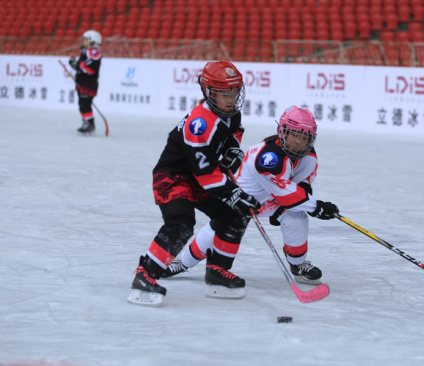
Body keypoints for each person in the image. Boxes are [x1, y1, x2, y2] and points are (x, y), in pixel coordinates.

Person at [128, 60, 261, 307]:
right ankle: (145, 274)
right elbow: (206, 174)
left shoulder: (231, 114)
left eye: (234, 92)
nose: (231, 98)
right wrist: (232, 193)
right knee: (181, 225)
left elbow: (233, 135)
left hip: (200, 176)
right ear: (209, 92)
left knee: (236, 215)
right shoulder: (199, 123)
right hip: (174, 177)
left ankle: (216, 271)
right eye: (224, 93)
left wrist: (232, 151)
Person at [168, 106, 339, 286]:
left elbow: (302, 182)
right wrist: (316, 207)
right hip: (243, 199)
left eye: (304, 137)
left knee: (297, 217)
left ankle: (298, 265)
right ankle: (183, 263)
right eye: (294, 134)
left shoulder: (309, 156)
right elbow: (286, 193)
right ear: (282, 131)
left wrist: (309, 201)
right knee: (218, 230)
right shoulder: (268, 158)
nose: (298, 142)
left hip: (274, 198)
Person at [68, 30, 102, 134]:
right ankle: (87, 122)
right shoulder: (85, 52)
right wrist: (74, 63)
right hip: (83, 83)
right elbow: (80, 65)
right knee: (82, 103)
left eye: (86, 39)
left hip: (88, 84)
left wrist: (76, 64)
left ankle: (89, 124)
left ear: (92, 41)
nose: (83, 41)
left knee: (85, 104)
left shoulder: (93, 52)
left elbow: (89, 66)